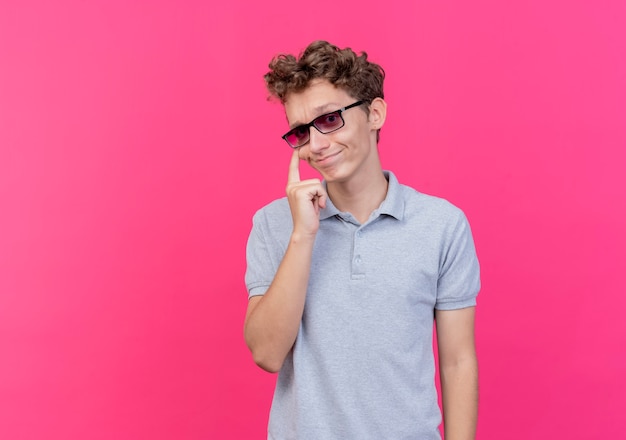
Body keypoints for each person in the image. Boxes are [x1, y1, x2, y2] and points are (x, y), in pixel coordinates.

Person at [244, 40, 481, 440]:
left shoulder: (442, 225)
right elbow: (267, 354)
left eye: (330, 119)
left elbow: (457, 362)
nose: (316, 145)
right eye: (301, 131)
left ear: (374, 113)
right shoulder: (274, 224)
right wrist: (303, 234)